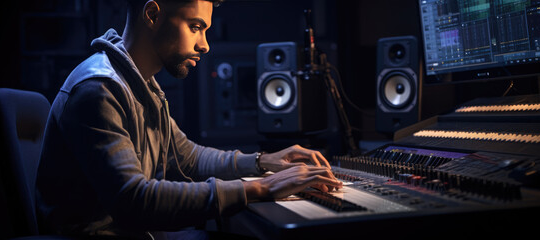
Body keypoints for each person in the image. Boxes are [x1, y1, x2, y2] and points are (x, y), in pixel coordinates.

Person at [35, 0, 343, 239]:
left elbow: (189, 157)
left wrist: (263, 162)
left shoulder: (140, 84)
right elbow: (134, 200)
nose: (205, 44)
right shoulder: (99, 90)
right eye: (196, 26)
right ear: (153, 15)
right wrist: (260, 189)